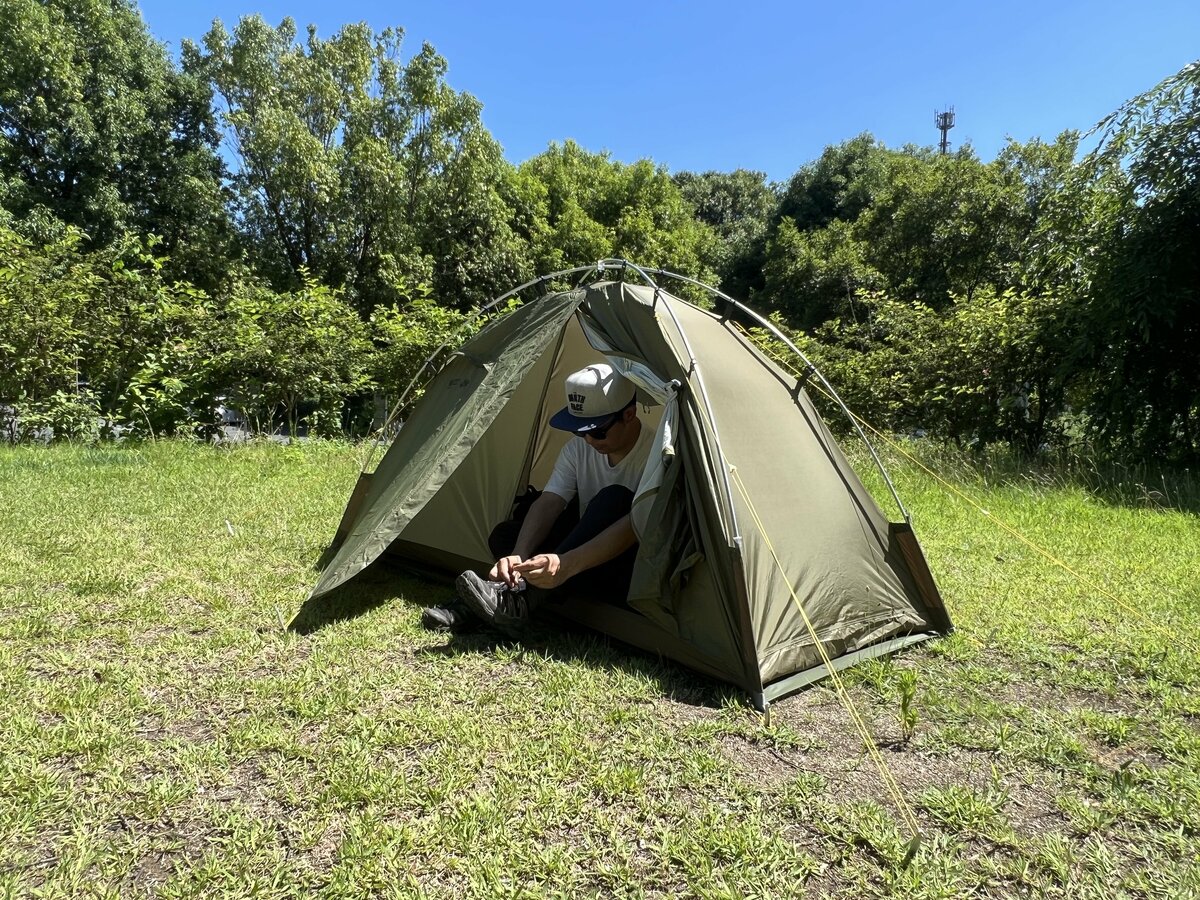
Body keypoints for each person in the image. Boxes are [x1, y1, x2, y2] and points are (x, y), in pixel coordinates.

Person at [422, 363, 653, 636]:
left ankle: (515, 601)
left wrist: (566, 564)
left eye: (597, 431)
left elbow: (635, 528)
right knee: (507, 535)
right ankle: (504, 600)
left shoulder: (657, 454)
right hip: (580, 559)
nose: (589, 440)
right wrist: (518, 555)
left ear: (628, 414)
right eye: (579, 431)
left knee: (614, 499)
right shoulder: (578, 449)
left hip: (625, 565)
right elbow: (550, 501)